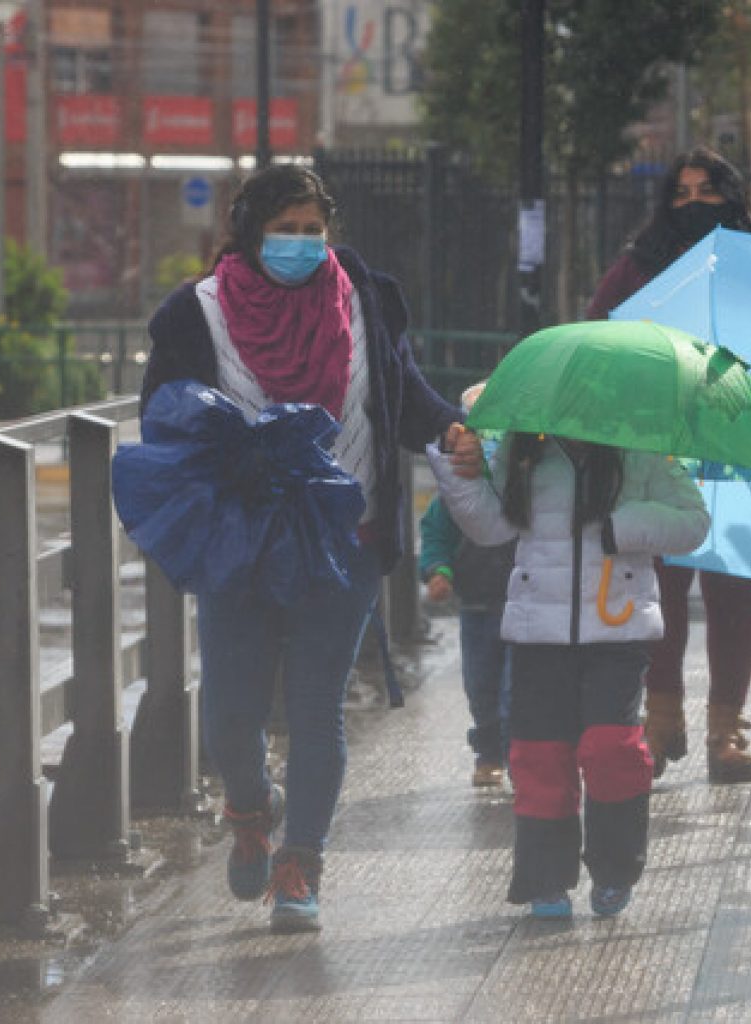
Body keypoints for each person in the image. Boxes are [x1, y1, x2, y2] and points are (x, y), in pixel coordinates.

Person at [141, 163, 469, 934]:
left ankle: (301, 865)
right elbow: (163, 418)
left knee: (318, 706)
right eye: (283, 230)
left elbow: (401, 392)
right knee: (231, 713)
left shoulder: (363, 300)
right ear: (249, 232)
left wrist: (449, 428)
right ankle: (251, 808)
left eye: (311, 229)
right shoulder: (196, 313)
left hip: (345, 537)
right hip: (240, 542)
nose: (299, 243)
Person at [428, 430, 709, 919]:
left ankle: (615, 868)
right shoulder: (523, 446)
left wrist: (625, 527)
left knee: (612, 749)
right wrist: (459, 473)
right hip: (538, 631)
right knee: (540, 756)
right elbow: (489, 526)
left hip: (617, 631)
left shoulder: (642, 447)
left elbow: (693, 523)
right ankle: (546, 879)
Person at [586, 144, 751, 786]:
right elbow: (598, 332)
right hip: (658, 448)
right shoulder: (640, 266)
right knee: (661, 592)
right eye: (682, 193)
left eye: (707, 191)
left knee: (733, 591)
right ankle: (661, 723)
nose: (694, 203)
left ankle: (727, 730)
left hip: (736, 445)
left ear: (731, 197)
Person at [419, 383, 515, 787]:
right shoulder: (454, 495)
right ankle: (488, 752)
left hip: (520, 606)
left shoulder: (521, 488)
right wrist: (438, 571)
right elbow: (436, 536)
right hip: (477, 607)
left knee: (516, 689)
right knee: (481, 686)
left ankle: (516, 755)